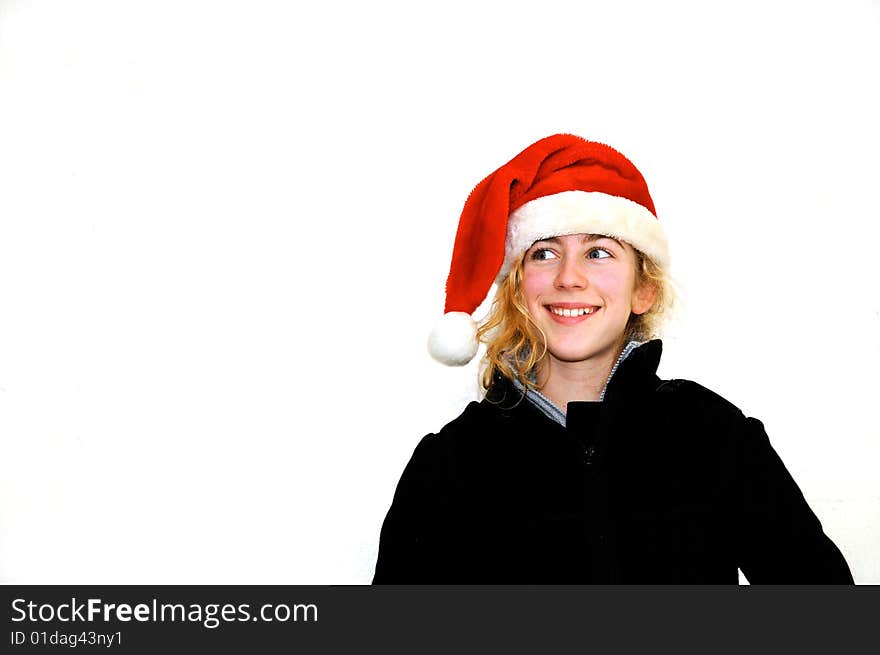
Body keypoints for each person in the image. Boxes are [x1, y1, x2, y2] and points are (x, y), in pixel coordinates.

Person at [373, 134, 853, 584]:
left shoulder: (714, 437)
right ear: (517, 287)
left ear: (643, 288)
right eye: (543, 253)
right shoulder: (450, 463)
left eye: (599, 253)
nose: (569, 278)